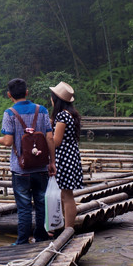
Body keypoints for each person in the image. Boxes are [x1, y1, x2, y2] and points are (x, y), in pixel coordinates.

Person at [0, 78, 56, 245]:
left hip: (20, 169)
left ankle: (22, 240)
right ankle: (41, 237)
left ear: (9, 95)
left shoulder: (9, 113)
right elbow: (50, 138)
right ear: (27, 92)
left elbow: (8, 141)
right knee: (40, 204)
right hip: (41, 168)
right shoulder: (42, 110)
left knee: (23, 207)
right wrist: (52, 162)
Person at [50, 81, 83, 229]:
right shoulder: (70, 114)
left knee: (67, 196)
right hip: (71, 156)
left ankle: (68, 228)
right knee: (65, 194)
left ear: (56, 100)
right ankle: (66, 226)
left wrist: (45, 138)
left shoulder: (62, 116)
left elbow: (56, 142)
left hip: (64, 158)